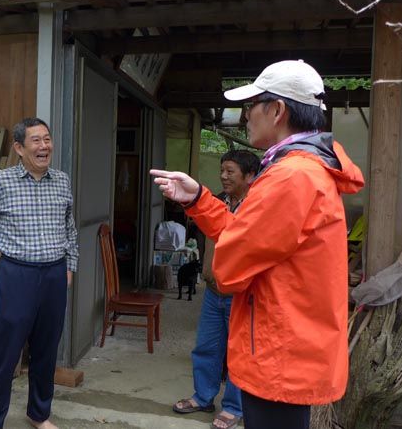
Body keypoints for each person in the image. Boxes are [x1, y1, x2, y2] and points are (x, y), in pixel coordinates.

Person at [152, 60, 364, 429]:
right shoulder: (302, 170)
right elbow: (247, 235)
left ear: (277, 110)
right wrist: (198, 198)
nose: (246, 115)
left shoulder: (291, 177)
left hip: (279, 353)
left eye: (253, 105)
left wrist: (225, 253)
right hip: (288, 349)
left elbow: (229, 267)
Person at [0, 117, 78, 429]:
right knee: (5, 355)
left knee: (46, 351)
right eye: (36, 140)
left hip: (54, 275)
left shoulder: (62, 181)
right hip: (17, 275)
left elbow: (69, 228)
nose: (44, 146)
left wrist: (70, 265)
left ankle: (39, 414)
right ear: (19, 148)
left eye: (47, 139)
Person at [173, 149, 260, 429]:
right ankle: (203, 397)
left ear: (250, 175)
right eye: (222, 170)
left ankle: (234, 407)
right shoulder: (218, 201)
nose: (223, 176)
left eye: (230, 171)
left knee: (238, 354)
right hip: (213, 290)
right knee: (206, 347)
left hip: (241, 294)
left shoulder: (258, 206)